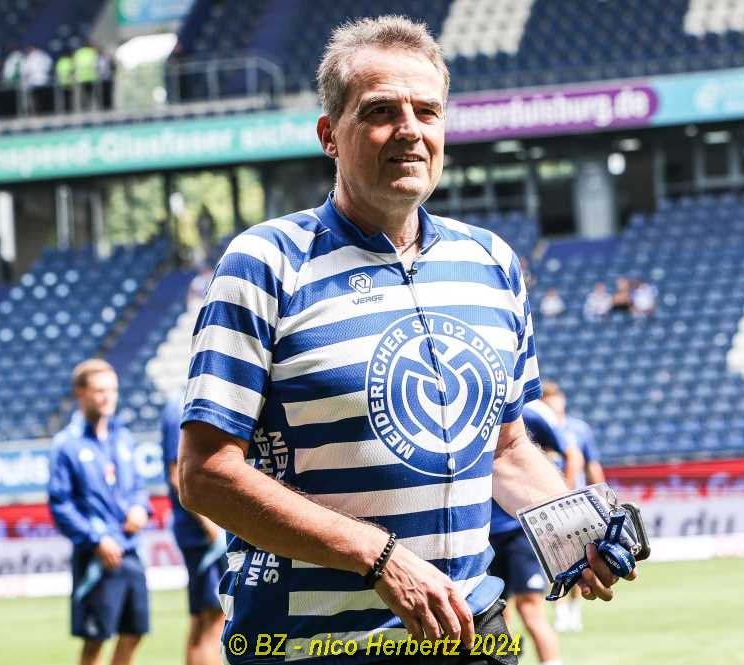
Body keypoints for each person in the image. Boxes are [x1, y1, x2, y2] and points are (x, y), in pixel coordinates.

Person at [177, 15, 634, 665]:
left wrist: (579, 522)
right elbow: (204, 474)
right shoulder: (265, 262)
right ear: (329, 135)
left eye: (427, 110)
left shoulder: (492, 262)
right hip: (315, 646)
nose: (410, 129)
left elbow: (504, 448)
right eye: (381, 111)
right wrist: (379, 557)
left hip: (473, 632)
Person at [48, 359, 151, 665]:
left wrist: (140, 507)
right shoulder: (66, 445)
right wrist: (96, 539)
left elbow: (138, 486)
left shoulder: (123, 437)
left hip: (130, 550)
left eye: (113, 390)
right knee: (95, 640)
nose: (108, 397)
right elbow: (60, 505)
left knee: (134, 633)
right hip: (96, 556)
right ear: (80, 393)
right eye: (100, 391)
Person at [488, 394, 583, 665]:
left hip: (520, 531)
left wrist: (562, 504)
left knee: (530, 611)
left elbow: (571, 454)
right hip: (484, 534)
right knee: (494, 615)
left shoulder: (530, 413)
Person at [161, 398, 228, 665]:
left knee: (208, 616)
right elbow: (177, 473)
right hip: (202, 532)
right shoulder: (178, 406)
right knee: (210, 618)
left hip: (212, 527)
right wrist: (208, 523)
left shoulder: (201, 398)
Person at [539, 381, 604, 633]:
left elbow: (591, 465)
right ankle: (560, 611)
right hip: (548, 506)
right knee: (554, 563)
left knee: (580, 560)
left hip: (576, 505)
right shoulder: (537, 430)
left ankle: (575, 608)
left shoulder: (578, 429)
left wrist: (601, 496)